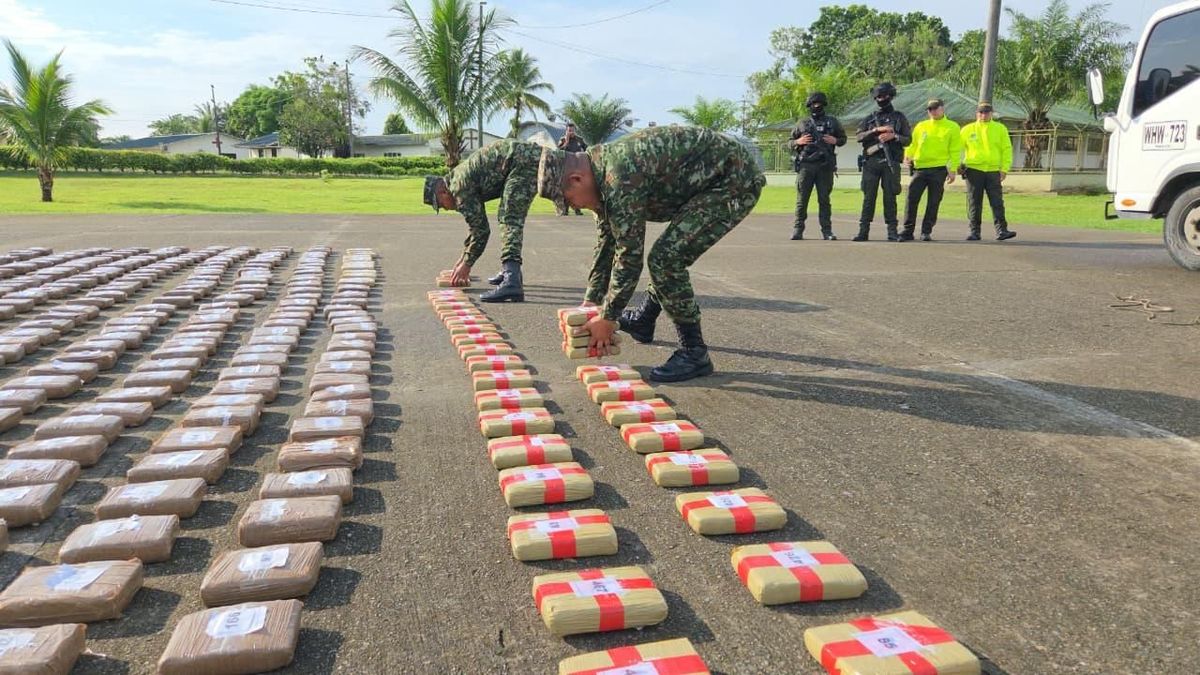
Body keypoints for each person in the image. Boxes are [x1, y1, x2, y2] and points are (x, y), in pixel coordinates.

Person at [536, 126, 766, 382]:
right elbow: (606, 243)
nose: (573, 207)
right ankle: (645, 319)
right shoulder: (599, 174)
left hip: (733, 182)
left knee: (666, 259)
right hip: (704, 184)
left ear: (577, 179)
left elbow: (629, 255)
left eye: (568, 201)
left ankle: (694, 352)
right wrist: (591, 302)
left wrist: (609, 318)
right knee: (664, 256)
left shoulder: (618, 177)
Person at [422, 139, 542, 302]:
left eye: (441, 205)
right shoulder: (456, 181)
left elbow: (481, 230)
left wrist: (467, 265)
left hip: (522, 162)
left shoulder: (459, 189)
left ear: (443, 192)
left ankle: (512, 281)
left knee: (509, 218)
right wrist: (464, 258)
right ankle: (511, 274)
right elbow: (475, 226)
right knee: (507, 216)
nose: (446, 208)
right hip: (521, 159)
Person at [854, 82, 911, 242]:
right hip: (871, 163)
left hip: (890, 163)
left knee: (890, 198)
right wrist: (875, 131)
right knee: (868, 198)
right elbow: (859, 136)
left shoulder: (899, 117)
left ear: (890, 96)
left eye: (884, 96)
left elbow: (908, 139)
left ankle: (892, 232)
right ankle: (863, 231)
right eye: (878, 96)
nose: (881, 99)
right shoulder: (869, 118)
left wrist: (894, 136)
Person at [899, 98, 962, 241]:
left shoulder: (952, 127)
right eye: (930, 109)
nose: (932, 111)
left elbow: (955, 150)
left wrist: (953, 169)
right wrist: (907, 156)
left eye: (935, 108)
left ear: (942, 108)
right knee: (911, 199)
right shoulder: (921, 126)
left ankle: (926, 231)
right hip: (920, 168)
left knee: (933, 201)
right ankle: (908, 230)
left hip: (938, 169)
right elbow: (913, 144)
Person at [790, 91, 847, 241]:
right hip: (806, 166)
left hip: (824, 166)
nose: (817, 106)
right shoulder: (802, 123)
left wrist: (835, 140)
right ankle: (798, 230)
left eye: (819, 104)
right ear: (809, 105)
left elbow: (843, 139)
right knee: (802, 200)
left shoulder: (832, 122)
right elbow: (788, 142)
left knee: (824, 200)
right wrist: (798, 142)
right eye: (814, 104)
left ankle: (827, 231)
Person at [960, 102, 1016, 241]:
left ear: (991, 113)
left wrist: (1004, 168)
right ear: (976, 113)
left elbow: (1006, 150)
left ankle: (1002, 230)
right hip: (973, 170)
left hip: (993, 171)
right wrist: (957, 166)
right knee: (974, 202)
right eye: (980, 112)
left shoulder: (1000, 129)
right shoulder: (967, 129)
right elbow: (958, 149)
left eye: (986, 112)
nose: (983, 115)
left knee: (997, 201)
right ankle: (975, 232)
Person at [558, 123, 588, 216]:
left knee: (577, 189)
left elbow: (587, 149)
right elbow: (558, 152)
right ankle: (565, 210)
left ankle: (577, 210)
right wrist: (566, 142)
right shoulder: (562, 140)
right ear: (566, 131)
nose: (571, 132)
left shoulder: (579, 139)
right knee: (566, 190)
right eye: (569, 130)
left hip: (578, 169)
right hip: (566, 169)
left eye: (572, 130)